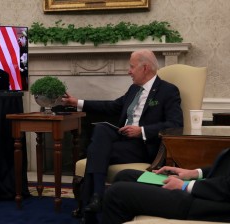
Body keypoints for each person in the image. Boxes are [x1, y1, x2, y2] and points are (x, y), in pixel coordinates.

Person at [61, 49, 183, 222]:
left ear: (145, 68)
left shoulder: (168, 91)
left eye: (132, 67)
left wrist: (140, 130)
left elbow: (175, 124)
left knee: (96, 151)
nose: (129, 71)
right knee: (102, 128)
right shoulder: (134, 89)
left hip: (142, 145)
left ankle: (91, 205)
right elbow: (111, 106)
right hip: (121, 139)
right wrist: (77, 102)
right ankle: (97, 196)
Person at [102, 148, 230, 223]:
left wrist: (185, 185)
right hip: (209, 188)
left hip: (208, 204)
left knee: (117, 193)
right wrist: (194, 173)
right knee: (125, 175)